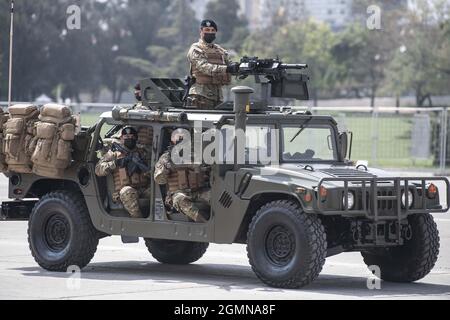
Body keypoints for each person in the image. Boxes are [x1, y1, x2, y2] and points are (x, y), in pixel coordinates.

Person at [154, 129, 211, 223]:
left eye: (183, 136)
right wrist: (168, 168)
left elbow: (208, 170)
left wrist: (199, 168)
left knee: (215, 196)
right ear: (172, 139)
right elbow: (159, 180)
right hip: (177, 193)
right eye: (178, 135)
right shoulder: (166, 157)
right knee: (180, 199)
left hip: (198, 191)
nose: (181, 138)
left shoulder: (196, 154)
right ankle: (204, 223)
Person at [95, 126, 151, 218]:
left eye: (132, 137)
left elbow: (152, 172)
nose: (129, 139)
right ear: (121, 138)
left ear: (136, 138)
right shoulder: (113, 154)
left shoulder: (142, 153)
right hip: (124, 192)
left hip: (143, 189)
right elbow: (98, 169)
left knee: (157, 189)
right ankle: (138, 221)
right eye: (126, 137)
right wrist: (116, 163)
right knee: (127, 191)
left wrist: (141, 164)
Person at [186, 19, 240, 110]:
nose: (210, 33)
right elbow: (204, 67)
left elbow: (230, 63)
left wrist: (241, 67)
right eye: (207, 30)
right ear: (201, 31)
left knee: (215, 123)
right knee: (200, 124)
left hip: (217, 96)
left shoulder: (219, 50)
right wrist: (227, 69)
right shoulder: (196, 49)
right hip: (200, 95)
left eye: (212, 30)